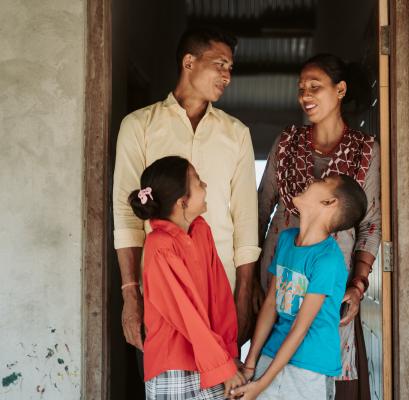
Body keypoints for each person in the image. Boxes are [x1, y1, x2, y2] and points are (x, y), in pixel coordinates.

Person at [113, 27, 262, 352]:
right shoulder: (140, 126)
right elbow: (126, 217)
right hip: (159, 292)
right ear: (189, 62)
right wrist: (130, 293)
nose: (227, 76)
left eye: (231, 68)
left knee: (221, 385)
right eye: (220, 64)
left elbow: (247, 219)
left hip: (221, 291)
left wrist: (244, 294)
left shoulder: (236, 133)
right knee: (166, 382)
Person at [256, 53, 381, 399]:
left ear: (340, 90)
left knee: (318, 365)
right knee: (272, 358)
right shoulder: (287, 142)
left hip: (331, 281)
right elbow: (261, 208)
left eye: (315, 87)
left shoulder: (364, 150)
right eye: (301, 89)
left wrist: (357, 285)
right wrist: (250, 277)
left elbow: (371, 225)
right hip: (279, 274)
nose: (305, 96)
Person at [232, 175, 369, 400]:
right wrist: (250, 363)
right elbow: (270, 304)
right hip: (273, 352)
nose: (312, 180)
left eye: (323, 181)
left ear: (329, 203)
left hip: (310, 366)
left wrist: (260, 386)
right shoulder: (286, 240)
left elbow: (300, 328)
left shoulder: (328, 259)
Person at [128, 156, 246, 399]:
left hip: (213, 360)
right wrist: (222, 365)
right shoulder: (159, 245)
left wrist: (230, 353)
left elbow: (220, 298)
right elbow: (186, 314)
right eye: (198, 183)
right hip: (174, 367)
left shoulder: (201, 230)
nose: (205, 186)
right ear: (183, 202)